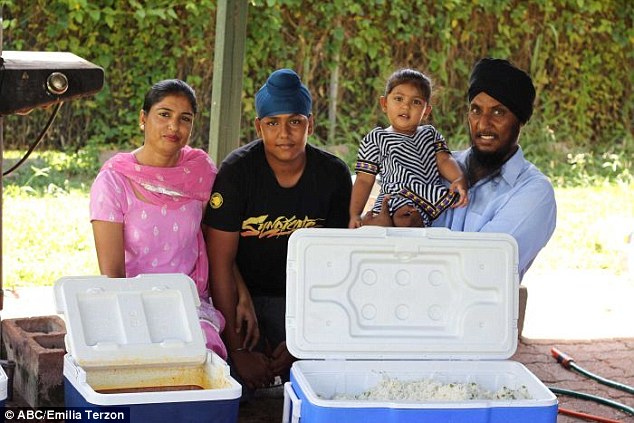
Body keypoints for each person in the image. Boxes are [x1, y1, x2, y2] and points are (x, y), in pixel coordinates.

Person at [203, 68, 352, 391]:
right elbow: (220, 263)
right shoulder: (237, 172)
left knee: (324, 382)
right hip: (244, 304)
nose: (284, 133)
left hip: (305, 302)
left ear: (310, 124)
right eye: (273, 123)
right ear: (259, 127)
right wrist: (238, 349)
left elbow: (337, 267)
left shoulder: (333, 175)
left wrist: (306, 337)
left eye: (295, 121)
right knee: (231, 385)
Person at [370, 58, 556, 280]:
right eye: (476, 110)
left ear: (520, 121)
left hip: (476, 314)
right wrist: (375, 231)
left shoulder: (533, 193)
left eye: (498, 113)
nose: (484, 124)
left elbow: (482, 271)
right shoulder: (432, 165)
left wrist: (393, 237)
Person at [89, 79, 227, 359]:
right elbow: (112, 273)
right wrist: (133, 323)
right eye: (164, 114)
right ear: (143, 118)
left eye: (184, 119)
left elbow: (216, 240)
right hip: (131, 302)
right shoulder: (115, 181)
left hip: (188, 302)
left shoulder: (200, 172)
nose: (174, 127)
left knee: (200, 356)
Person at [349, 68, 468, 228]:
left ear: (426, 111)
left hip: (422, 202)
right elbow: (364, 180)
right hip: (391, 198)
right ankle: (380, 222)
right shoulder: (377, 138)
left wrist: (459, 179)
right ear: (384, 103)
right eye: (398, 99)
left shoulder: (430, 134)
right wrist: (355, 214)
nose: (406, 107)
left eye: (416, 102)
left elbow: (445, 159)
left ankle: (392, 226)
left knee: (407, 220)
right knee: (373, 223)